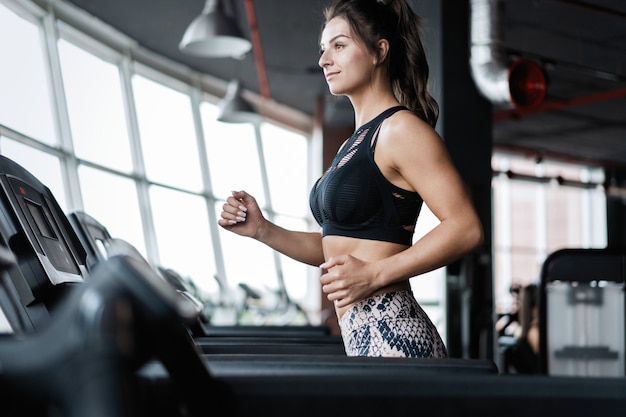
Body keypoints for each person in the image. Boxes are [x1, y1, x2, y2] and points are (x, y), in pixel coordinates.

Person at [218, 0, 484, 358]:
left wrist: (376, 274)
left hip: (394, 334)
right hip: (360, 335)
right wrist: (263, 230)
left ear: (379, 51)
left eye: (339, 46)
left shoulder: (400, 130)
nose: (324, 59)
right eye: (323, 49)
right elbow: (335, 248)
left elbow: (466, 228)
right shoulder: (353, 142)